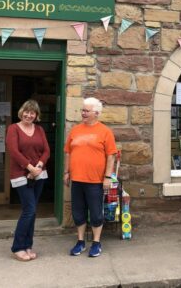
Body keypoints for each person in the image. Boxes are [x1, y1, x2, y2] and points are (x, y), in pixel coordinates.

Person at [64, 97, 117, 258]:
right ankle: (80, 242)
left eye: (86, 111)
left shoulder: (105, 131)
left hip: (95, 181)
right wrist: (66, 172)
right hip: (77, 179)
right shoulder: (75, 130)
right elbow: (68, 152)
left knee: (95, 213)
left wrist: (107, 177)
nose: (83, 113)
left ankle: (96, 242)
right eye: (82, 110)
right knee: (78, 212)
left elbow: (111, 156)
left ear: (96, 113)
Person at [6, 99, 50, 262]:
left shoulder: (39, 129)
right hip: (20, 174)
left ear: (36, 115)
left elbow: (46, 150)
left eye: (33, 112)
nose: (29, 115)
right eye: (26, 111)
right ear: (21, 112)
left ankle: (28, 245)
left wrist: (38, 167)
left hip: (39, 174)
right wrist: (30, 168)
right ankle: (18, 247)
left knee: (32, 211)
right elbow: (14, 151)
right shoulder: (13, 129)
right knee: (29, 210)